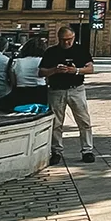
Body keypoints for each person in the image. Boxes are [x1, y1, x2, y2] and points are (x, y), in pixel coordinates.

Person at [39, 26, 95, 163]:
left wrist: (75, 70)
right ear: (58, 39)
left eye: (69, 40)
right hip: (56, 89)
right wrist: (55, 70)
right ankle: (56, 151)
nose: (66, 43)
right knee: (56, 123)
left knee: (84, 121)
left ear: (74, 37)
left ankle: (87, 150)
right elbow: (41, 72)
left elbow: (90, 68)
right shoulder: (51, 52)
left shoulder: (80, 50)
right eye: (63, 40)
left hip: (76, 89)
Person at [7, 36, 49, 108]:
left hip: (21, 92)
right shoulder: (44, 61)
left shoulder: (15, 62)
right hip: (40, 92)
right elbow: (48, 79)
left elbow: (13, 82)